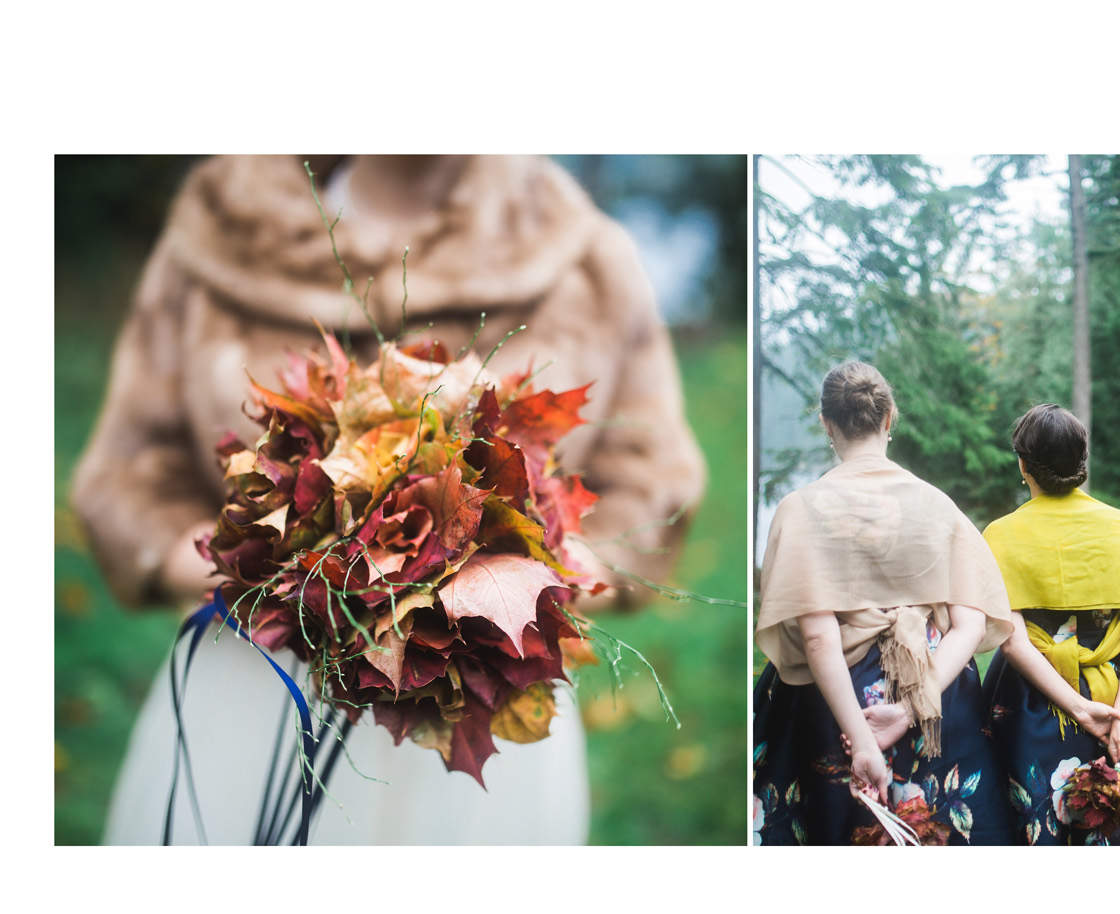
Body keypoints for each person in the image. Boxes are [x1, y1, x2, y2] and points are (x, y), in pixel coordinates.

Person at [72, 155, 706, 844]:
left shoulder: (586, 257)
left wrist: (512, 582)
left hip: (477, 696)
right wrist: (264, 571)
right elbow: (126, 473)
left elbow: (653, 485)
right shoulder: (221, 226)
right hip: (253, 678)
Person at [752, 361, 1014, 845]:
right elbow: (971, 627)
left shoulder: (800, 509)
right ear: (889, 418)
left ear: (826, 424)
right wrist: (911, 709)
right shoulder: (938, 505)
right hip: (936, 691)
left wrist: (862, 739)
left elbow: (817, 636)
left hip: (833, 701)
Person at [980, 404, 1120, 845]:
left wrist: (1079, 709)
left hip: (1032, 698)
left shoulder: (999, 536)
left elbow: (1012, 641)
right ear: (1082, 462)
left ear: (1023, 464)